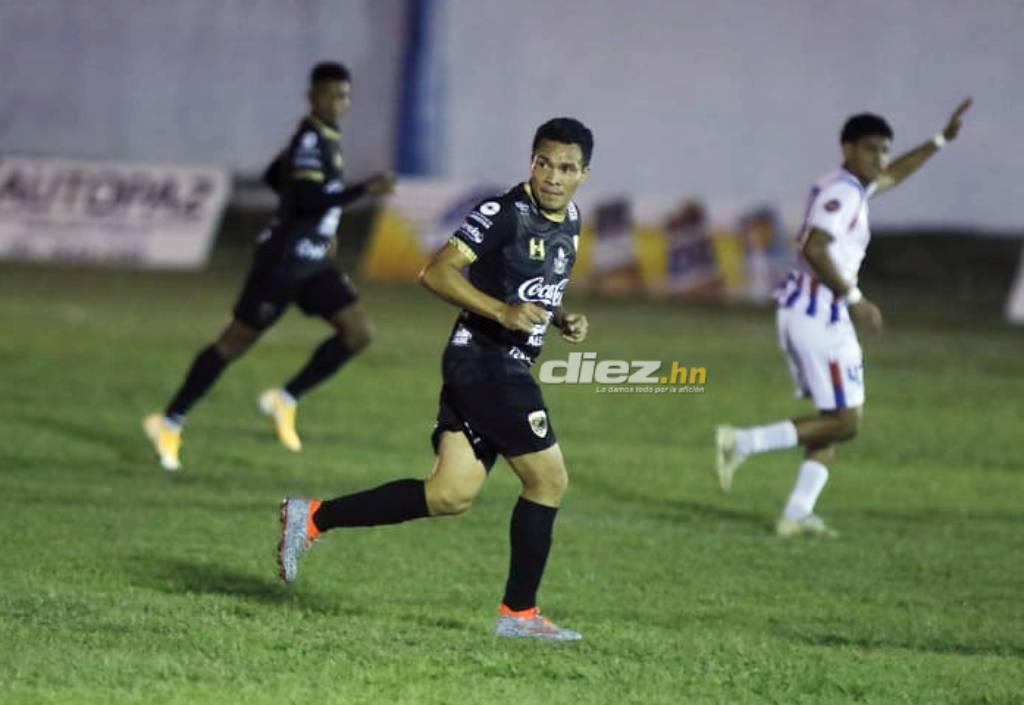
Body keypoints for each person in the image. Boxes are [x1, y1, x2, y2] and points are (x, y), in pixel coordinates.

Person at [277, 117, 594, 640]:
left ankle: (310, 517)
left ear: (584, 173)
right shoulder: (503, 213)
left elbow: (533, 287)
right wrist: (501, 311)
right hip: (487, 363)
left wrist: (560, 317)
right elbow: (437, 271)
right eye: (543, 163)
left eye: (566, 168)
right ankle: (519, 616)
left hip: (493, 362)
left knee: (450, 493)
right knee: (549, 479)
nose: (552, 177)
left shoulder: (571, 220)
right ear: (531, 161)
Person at [715, 98, 972, 537]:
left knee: (832, 418)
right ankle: (741, 442)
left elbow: (894, 174)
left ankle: (796, 514)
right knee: (846, 422)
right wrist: (854, 298)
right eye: (871, 149)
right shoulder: (841, 193)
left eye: (884, 149)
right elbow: (814, 247)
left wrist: (939, 140)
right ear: (848, 149)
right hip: (819, 315)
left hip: (816, 313)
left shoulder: (849, 183)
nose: (881, 158)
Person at [143, 61, 395, 470]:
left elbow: (276, 176)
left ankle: (285, 398)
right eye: (330, 94)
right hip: (281, 263)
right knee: (234, 342)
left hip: (313, 261)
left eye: (344, 95)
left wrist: (310, 220)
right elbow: (311, 198)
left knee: (357, 333)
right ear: (313, 97)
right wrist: (362, 190)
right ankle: (169, 421)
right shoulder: (312, 140)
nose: (338, 102)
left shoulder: (321, 137)